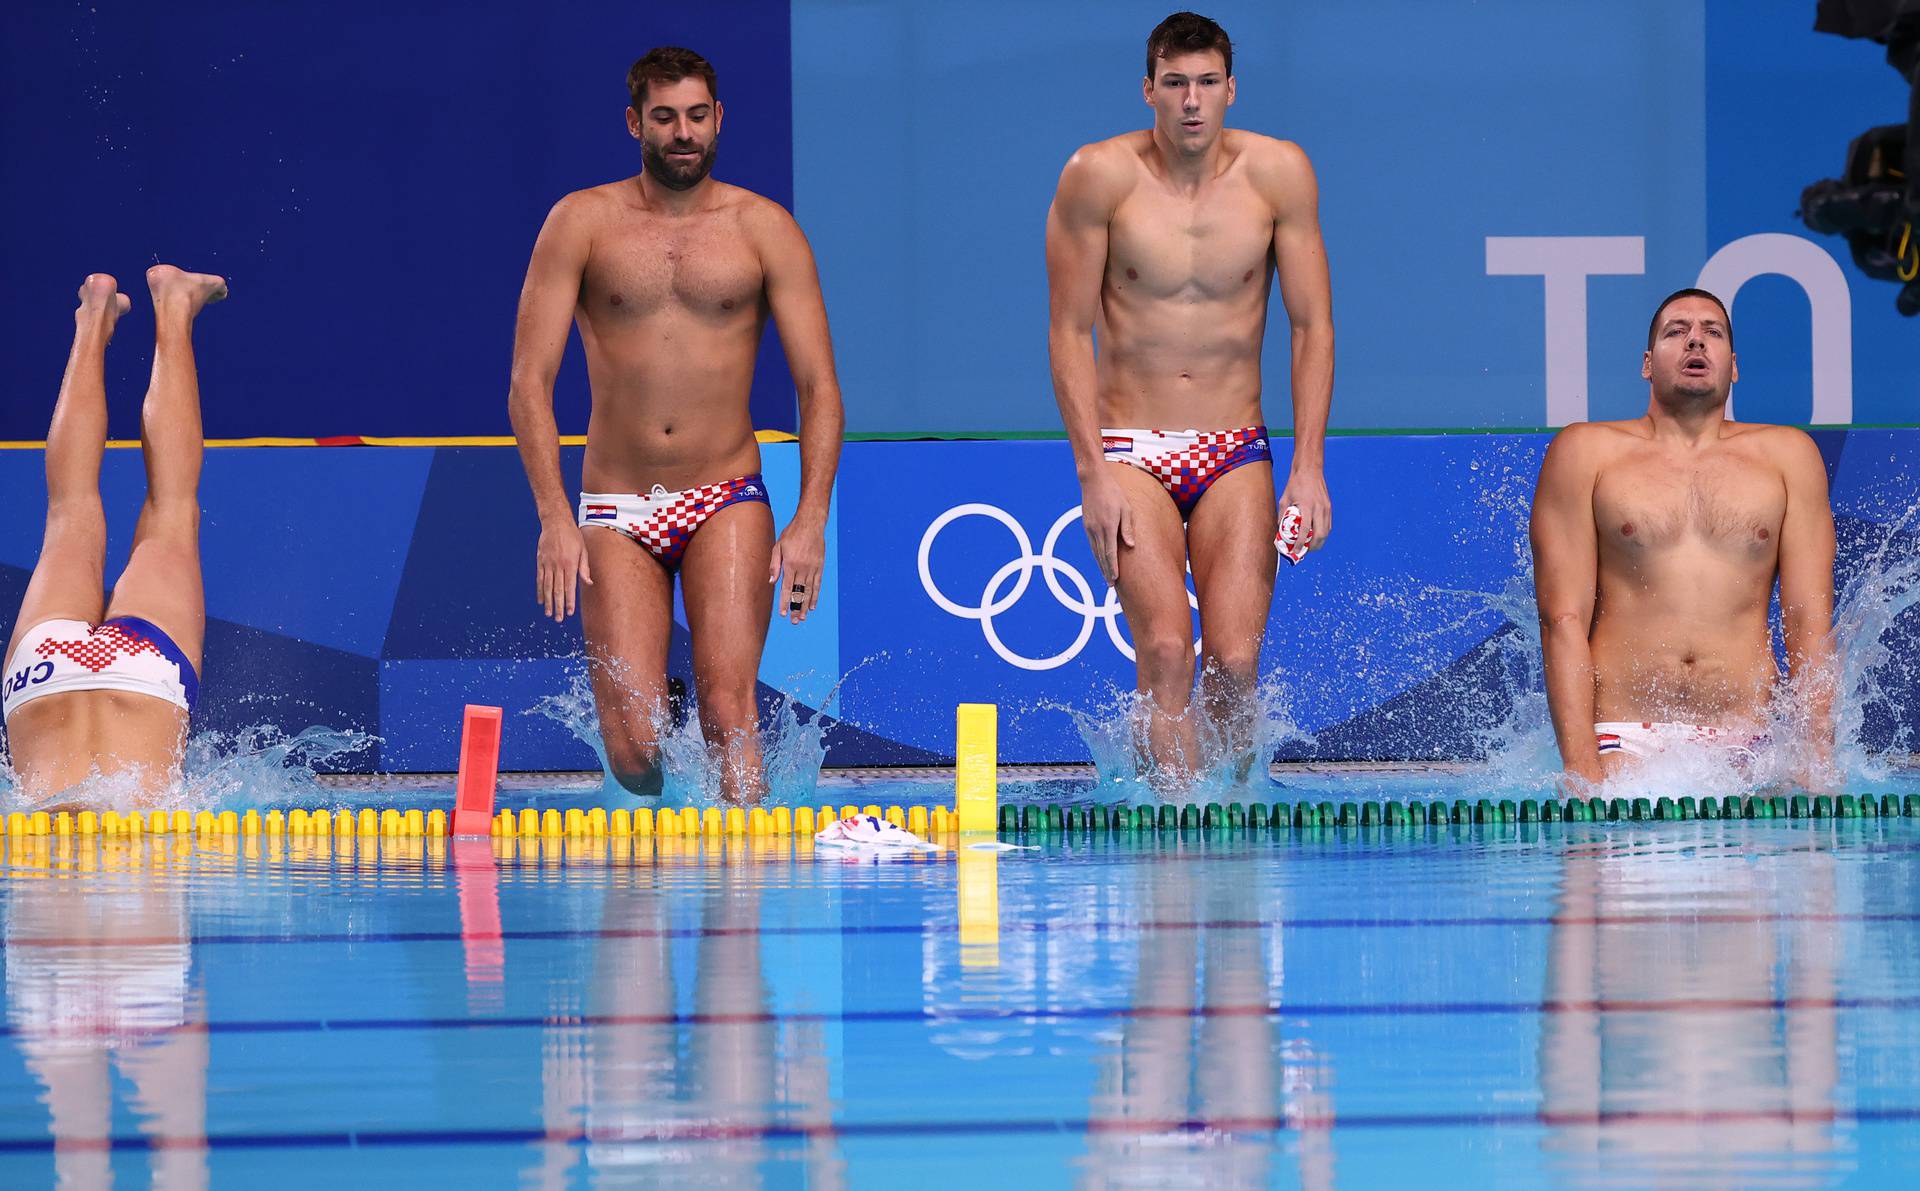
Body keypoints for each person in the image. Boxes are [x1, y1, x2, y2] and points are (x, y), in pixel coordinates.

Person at [508, 46, 844, 804]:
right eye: (665, 118)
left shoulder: (765, 230)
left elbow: (819, 385)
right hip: (615, 506)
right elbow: (529, 382)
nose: (683, 132)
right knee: (633, 749)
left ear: (719, 119)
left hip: (724, 493)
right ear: (635, 123)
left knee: (732, 713)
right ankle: (666, 716)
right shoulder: (582, 222)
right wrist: (554, 517)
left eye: (697, 116)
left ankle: (744, 900)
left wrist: (811, 517)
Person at [1046, 12, 1333, 783]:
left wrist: (1308, 466)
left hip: (1234, 446)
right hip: (1129, 447)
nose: (1192, 102)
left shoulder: (1280, 175)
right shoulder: (1097, 177)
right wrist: (1092, 477)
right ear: (1149, 91)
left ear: (1232, 89)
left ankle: (1231, 847)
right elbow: (1069, 334)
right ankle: (1172, 848)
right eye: (1175, 84)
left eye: (1207, 83)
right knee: (1168, 648)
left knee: (1236, 664)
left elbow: (1312, 327)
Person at [1530, 288, 1837, 787]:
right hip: (1621, 743)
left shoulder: (1789, 458)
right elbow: (1561, 618)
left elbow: (1807, 620)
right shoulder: (1586, 452)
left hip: (1751, 747)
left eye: (1712, 333)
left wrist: (1813, 760)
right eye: (1677, 332)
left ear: (1733, 366)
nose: (1696, 342)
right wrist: (1582, 771)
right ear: (1648, 364)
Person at [2, 266, 226, 809]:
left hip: (140, 676)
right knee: (69, 512)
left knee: (170, 513)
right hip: (45, 671)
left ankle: (172, 306)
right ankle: (93, 315)